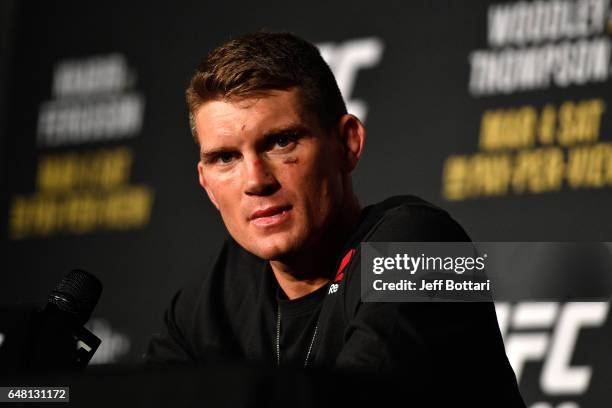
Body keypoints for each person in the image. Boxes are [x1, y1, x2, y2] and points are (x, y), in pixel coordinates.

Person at [145, 31, 525, 405]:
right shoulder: (218, 290)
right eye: (226, 158)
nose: (256, 181)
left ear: (347, 144)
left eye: (281, 142)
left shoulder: (421, 247)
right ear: (207, 184)